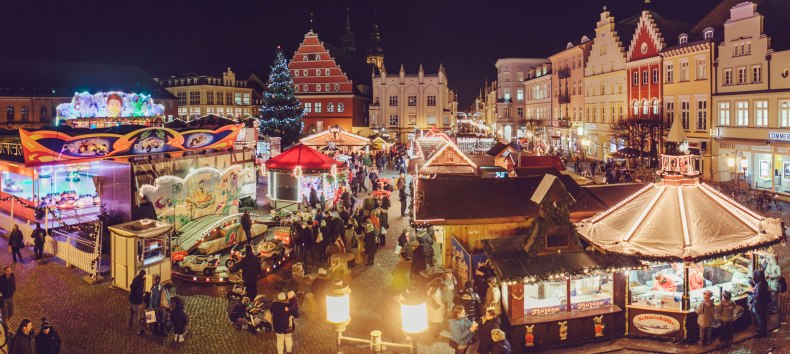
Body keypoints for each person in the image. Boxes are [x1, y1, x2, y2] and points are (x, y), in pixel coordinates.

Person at [751, 269, 770, 337]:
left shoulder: (759, 285)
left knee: (760, 318)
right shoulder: (764, 282)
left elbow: (757, 296)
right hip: (763, 303)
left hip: (759, 305)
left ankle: (762, 333)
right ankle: (762, 330)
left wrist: (751, 293)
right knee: (762, 318)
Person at [128, 270, 146, 335]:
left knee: (131, 313)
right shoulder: (140, 282)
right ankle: (136, 330)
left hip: (131, 299)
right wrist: (141, 298)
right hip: (136, 301)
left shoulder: (135, 278)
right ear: (143, 275)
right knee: (136, 316)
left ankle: (129, 326)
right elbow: (139, 292)